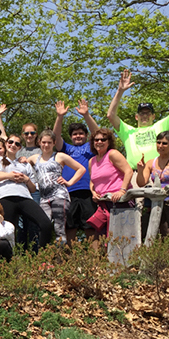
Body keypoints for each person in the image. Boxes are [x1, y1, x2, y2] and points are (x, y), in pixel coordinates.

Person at [107, 62, 169, 167]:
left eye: (148, 113)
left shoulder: (160, 126)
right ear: (136, 117)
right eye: (141, 113)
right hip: (134, 175)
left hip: (156, 172)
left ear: (153, 116)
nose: (144, 115)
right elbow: (111, 115)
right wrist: (120, 91)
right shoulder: (128, 131)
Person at [0, 135, 54, 251]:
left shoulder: (24, 163)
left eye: (17, 144)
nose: (13, 145)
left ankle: (43, 257)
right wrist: (8, 176)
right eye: (11, 142)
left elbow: (33, 189)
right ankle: (6, 263)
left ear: (20, 147)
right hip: (6, 197)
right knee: (5, 232)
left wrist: (26, 180)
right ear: (6, 144)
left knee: (45, 223)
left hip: (24, 197)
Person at [53, 99, 101, 244]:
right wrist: (60, 117)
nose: (78, 136)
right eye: (74, 134)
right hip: (68, 192)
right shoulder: (66, 149)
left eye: (81, 133)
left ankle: (95, 261)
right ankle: (70, 262)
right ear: (71, 137)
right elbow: (55, 137)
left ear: (86, 136)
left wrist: (86, 115)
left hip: (88, 191)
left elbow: (98, 133)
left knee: (91, 226)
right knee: (69, 227)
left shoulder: (91, 147)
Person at [28, 130, 87, 245]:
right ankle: (44, 254)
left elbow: (81, 169)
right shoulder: (34, 158)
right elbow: (24, 164)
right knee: (44, 224)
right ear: (39, 142)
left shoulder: (59, 156)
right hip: (44, 197)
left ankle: (61, 256)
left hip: (59, 195)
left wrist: (69, 182)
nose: (46, 145)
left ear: (54, 143)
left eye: (49, 142)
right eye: (44, 142)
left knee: (59, 226)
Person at [135, 131, 169, 237]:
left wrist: (165, 190)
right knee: (149, 230)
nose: (160, 146)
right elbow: (141, 183)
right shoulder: (151, 162)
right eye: (158, 142)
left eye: (164, 143)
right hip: (156, 200)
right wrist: (140, 170)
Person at [87, 128, 134, 247]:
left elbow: (128, 171)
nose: (99, 142)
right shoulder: (92, 161)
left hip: (120, 202)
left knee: (122, 236)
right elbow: (92, 181)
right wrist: (93, 192)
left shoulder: (112, 154)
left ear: (109, 142)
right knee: (101, 238)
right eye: (96, 139)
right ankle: (102, 263)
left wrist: (122, 191)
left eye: (103, 139)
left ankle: (125, 263)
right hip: (103, 203)